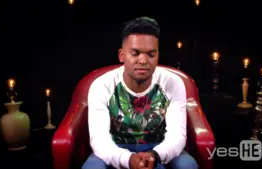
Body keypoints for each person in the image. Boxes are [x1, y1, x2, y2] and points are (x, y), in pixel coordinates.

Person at [82, 16, 198, 169]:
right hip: (115, 146)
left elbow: (177, 135)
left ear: (158, 56)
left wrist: (155, 155)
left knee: (188, 165)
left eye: (151, 54)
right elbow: (100, 140)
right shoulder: (102, 85)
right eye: (135, 53)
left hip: (159, 146)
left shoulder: (173, 82)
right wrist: (128, 159)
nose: (143, 60)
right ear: (122, 55)